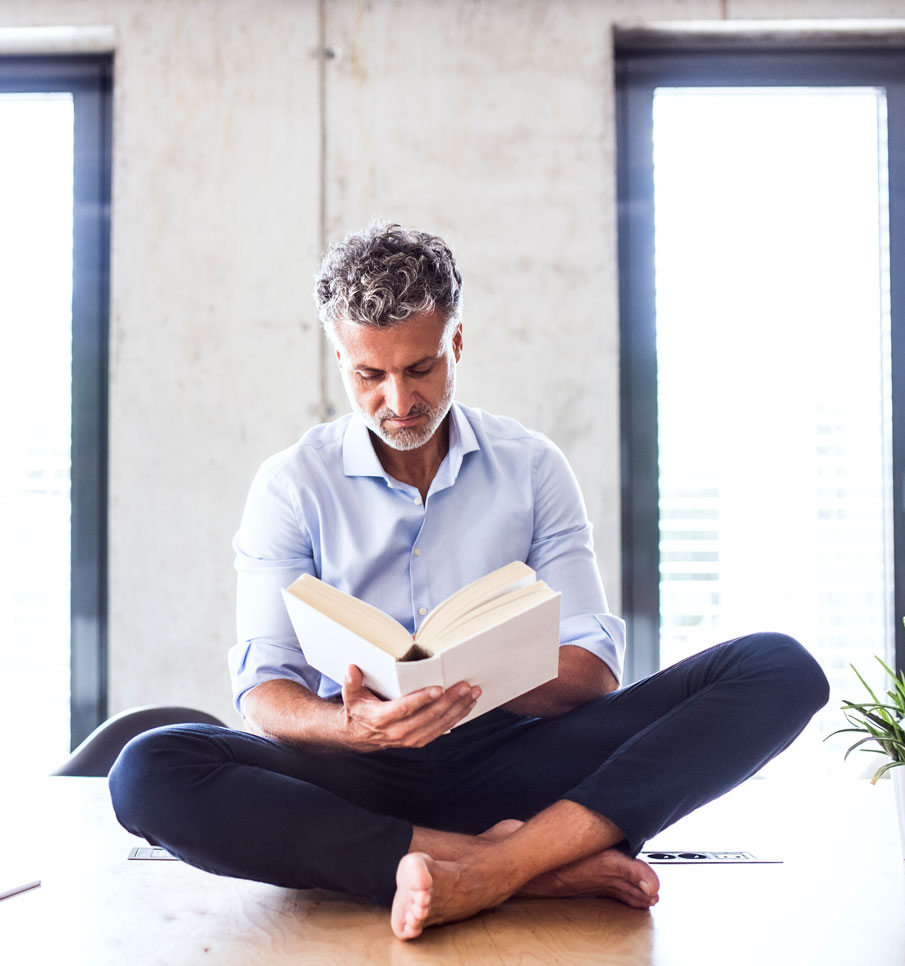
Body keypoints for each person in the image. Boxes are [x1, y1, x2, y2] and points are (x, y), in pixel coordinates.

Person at [110, 222, 830, 940]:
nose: (399, 400)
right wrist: (350, 725)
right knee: (148, 768)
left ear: (455, 343)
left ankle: (494, 865)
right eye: (370, 376)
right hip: (357, 772)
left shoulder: (531, 467)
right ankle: (526, 865)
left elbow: (592, 668)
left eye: (420, 368)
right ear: (340, 360)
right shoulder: (291, 485)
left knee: (778, 667)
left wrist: (466, 686)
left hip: (515, 757)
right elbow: (264, 689)